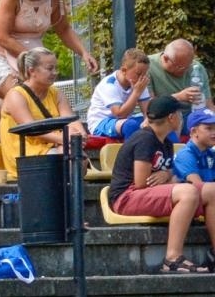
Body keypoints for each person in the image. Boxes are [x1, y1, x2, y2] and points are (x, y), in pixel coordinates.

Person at [108, 96, 215, 274]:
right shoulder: (145, 139)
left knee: (211, 191)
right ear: (172, 117)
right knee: (188, 193)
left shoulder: (166, 142)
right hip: (126, 197)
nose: (181, 118)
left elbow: (170, 177)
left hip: (145, 194)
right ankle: (172, 258)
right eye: (179, 113)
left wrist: (166, 174)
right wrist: (167, 176)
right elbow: (141, 183)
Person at [0, 48, 86, 176]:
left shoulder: (56, 93)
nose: (55, 72)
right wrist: (65, 139)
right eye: (50, 69)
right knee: (68, 157)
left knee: (77, 157)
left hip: (54, 145)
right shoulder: (16, 95)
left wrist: (80, 134)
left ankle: (69, 188)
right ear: (32, 71)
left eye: (55, 68)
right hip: (24, 152)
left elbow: (71, 120)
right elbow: (31, 129)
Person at [86, 48, 153, 140]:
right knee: (131, 126)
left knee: (160, 121)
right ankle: (130, 149)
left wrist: (150, 122)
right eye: (138, 74)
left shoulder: (139, 82)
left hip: (123, 121)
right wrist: (136, 92)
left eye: (144, 74)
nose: (142, 78)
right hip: (101, 122)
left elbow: (147, 113)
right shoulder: (109, 85)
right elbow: (119, 114)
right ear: (124, 70)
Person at [147, 38, 211, 114]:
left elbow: (208, 105)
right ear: (165, 59)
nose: (186, 70)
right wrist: (178, 97)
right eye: (181, 67)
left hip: (193, 115)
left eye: (189, 66)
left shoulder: (196, 68)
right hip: (163, 116)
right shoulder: (147, 66)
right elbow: (149, 107)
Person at [172, 110, 215, 194]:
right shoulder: (185, 155)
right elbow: (200, 189)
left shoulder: (210, 152)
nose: (214, 132)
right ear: (194, 131)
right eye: (209, 128)